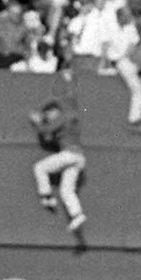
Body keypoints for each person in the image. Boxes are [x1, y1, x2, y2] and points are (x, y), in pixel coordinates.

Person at [29, 69, 88, 249]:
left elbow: (46, 132)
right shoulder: (71, 115)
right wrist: (69, 81)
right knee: (66, 190)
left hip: (69, 154)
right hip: (79, 158)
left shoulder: (60, 119)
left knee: (39, 168)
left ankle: (46, 196)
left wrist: (38, 122)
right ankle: (77, 214)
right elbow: (71, 99)